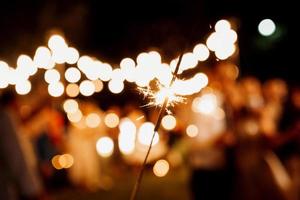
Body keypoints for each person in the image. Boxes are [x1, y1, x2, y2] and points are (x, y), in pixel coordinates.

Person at [0, 91, 43, 200]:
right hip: (14, 181)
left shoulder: (10, 118)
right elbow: (16, 153)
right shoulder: (7, 118)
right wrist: (29, 186)